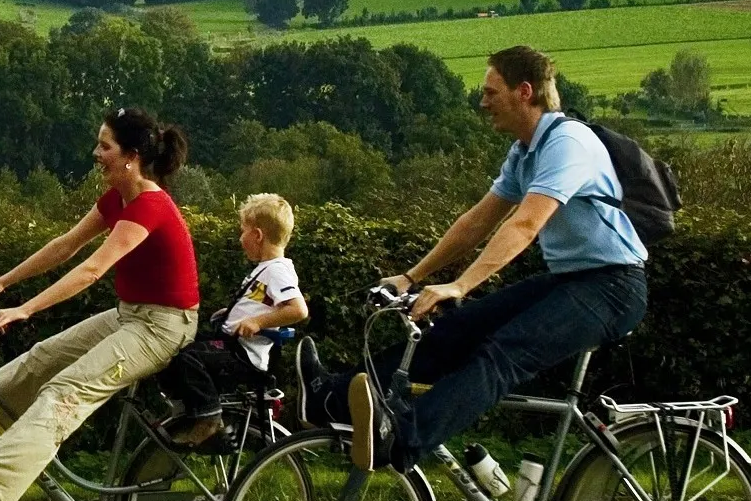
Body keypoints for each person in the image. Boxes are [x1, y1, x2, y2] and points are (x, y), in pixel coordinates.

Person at [351, 44, 649, 472]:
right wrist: (411, 276)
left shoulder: (568, 143)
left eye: (491, 91)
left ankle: (401, 441)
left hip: (614, 287)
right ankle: (331, 399)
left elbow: (523, 225)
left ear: (524, 91)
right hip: (575, 279)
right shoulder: (525, 151)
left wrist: (460, 285)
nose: (482, 101)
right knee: (456, 330)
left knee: (501, 354)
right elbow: (477, 223)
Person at [0, 108, 199, 501]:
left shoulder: (149, 206)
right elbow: (65, 246)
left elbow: (91, 270)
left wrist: (26, 309)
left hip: (164, 327)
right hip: (131, 315)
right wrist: (1, 284)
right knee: (43, 357)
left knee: (65, 391)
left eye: (104, 146)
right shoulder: (118, 199)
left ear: (131, 155)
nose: (96, 153)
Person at [163, 193, 309, 445]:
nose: (241, 239)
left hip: (242, 354)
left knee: (189, 357)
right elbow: (259, 303)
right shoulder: (266, 269)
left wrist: (257, 323)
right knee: (175, 341)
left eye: (243, 232)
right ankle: (186, 409)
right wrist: (230, 314)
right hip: (231, 344)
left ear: (258, 235)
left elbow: (298, 310)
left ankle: (208, 416)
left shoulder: (277, 270)